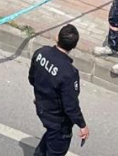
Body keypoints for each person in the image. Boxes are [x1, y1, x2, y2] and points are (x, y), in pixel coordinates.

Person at [29, 24, 89, 156]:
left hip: (41, 107)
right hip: (57, 119)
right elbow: (70, 106)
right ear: (74, 46)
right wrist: (82, 125)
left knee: (49, 138)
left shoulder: (41, 52)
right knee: (56, 148)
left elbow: (32, 78)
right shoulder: (69, 73)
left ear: (57, 38)